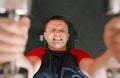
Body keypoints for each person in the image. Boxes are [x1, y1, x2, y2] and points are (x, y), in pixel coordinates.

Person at [0, 15, 120, 78]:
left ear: (68, 36)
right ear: (45, 36)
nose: (57, 33)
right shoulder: (38, 53)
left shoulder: (78, 55)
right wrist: (13, 54)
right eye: (52, 29)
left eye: (62, 30)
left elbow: (95, 71)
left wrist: (112, 53)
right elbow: (28, 68)